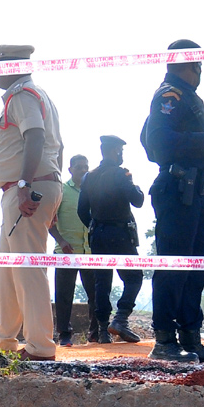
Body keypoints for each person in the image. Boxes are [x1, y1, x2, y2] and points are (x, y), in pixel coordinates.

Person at [143, 39, 204, 363]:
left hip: (195, 193)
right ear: (187, 64)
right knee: (173, 267)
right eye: (198, 64)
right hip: (178, 190)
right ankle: (164, 340)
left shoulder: (188, 98)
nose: (200, 71)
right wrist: (201, 141)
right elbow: (156, 143)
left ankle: (191, 337)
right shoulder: (169, 95)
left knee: (195, 269)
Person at [0, 44, 64, 362]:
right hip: (31, 187)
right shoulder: (35, 95)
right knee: (7, 267)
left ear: (11, 66)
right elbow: (55, 146)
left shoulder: (22, 95)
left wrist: (24, 184)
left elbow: (34, 137)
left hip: (25, 189)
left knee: (27, 268)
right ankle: (4, 338)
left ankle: (40, 346)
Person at [77, 135, 146, 344]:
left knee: (102, 282)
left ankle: (102, 331)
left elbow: (82, 211)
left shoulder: (90, 176)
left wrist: (97, 224)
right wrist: (134, 184)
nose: (122, 154)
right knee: (134, 278)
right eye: (121, 151)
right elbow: (138, 200)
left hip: (98, 234)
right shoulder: (121, 174)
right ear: (115, 151)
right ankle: (121, 318)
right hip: (120, 235)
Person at [51, 154, 98, 345]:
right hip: (66, 253)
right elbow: (49, 221)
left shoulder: (94, 191)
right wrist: (61, 241)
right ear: (70, 170)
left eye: (86, 166)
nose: (83, 170)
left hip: (90, 252)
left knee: (96, 295)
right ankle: (64, 335)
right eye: (79, 167)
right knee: (64, 296)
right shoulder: (61, 190)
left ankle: (96, 333)